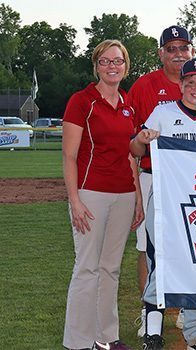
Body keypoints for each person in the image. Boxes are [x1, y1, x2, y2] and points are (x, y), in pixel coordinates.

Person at [131, 58, 196, 350]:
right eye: (191, 82)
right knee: (164, 262)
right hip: (167, 195)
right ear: (180, 84)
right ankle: (153, 332)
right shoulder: (163, 112)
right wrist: (142, 138)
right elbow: (133, 148)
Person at [62, 39, 143, 350]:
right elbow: (69, 156)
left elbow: (129, 156)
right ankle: (79, 342)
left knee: (110, 268)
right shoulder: (82, 101)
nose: (112, 66)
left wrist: (136, 196)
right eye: (106, 61)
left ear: (126, 66)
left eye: (118, 61)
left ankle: (106, 337)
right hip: (91, 193)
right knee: (87, 268)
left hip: (123, 193)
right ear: (96, 66)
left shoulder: (126, 105)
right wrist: (75, 200)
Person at [126, 25, 195, 336]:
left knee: (191, 246)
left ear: (192, 51)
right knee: (147, 247)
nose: (178, 54)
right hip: (153, 175)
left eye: (184, 48)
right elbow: (132, 142)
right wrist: (138, 194)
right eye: (172, 49)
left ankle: (186, 307)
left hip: (192, 181)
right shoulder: (145, 86)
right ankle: (148, 310)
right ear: (161, 53)